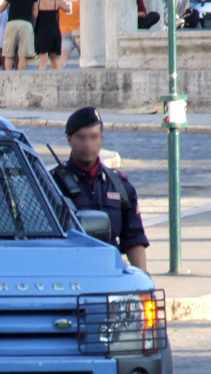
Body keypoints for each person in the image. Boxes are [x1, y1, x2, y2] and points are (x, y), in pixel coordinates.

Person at [51, 107, 148, 270]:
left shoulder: (119, 186)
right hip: (70, 271)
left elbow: (134, 239)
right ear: (69, 139)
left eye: (93, 137)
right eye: (81, 137)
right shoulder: (52, 184)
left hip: (111, 271)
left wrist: (143, 279)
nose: (88, 144)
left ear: (101, 138)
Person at [0, 0, 37, 71]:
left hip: (12, 23)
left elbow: (1, 9)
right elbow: (35, 14)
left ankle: (8, 76)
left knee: (8, 54)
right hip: (26, 24)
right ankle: (21, 78)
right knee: (23, 55)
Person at [34, 0, 68, 70]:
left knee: (43, 59)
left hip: (41, 31)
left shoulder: (38, 1)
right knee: (53, 58)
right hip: (53, 30)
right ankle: (55, 78)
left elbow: (34, 15)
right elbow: (68, 9)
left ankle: (42, 78)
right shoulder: (56, 2)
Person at [58, 0, 81, 69]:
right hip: (78, 30)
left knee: (63, 57)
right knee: (83, 57)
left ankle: (58, 75)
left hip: (64, 30)